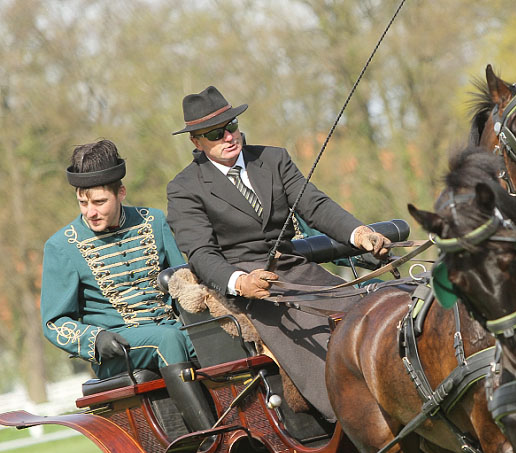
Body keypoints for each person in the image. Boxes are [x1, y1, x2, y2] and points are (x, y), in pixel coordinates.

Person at [167, 86, 391, 421]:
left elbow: (315, 205)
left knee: (369, 311)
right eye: (215, 133)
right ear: (196, 142)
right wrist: (240, 282)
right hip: (250, 290)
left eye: (231, 125)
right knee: (315, 332)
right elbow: (200, 253)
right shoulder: (184, 188)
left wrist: (359, 233)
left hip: (295, 268)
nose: (228, 136)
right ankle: (350, 415)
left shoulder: (273, 159)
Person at [42, 139, 215, 432]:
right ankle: (208, 438)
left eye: (99, 202)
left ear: (120, 193)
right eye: (83, 203)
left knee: (221, 330)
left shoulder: (153, 221)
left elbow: (183, 282)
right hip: (118, 348)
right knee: (167, 339)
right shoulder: (61, 246)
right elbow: (54, 322)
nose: (90, 212)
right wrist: (95, 338)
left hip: (172, 329)